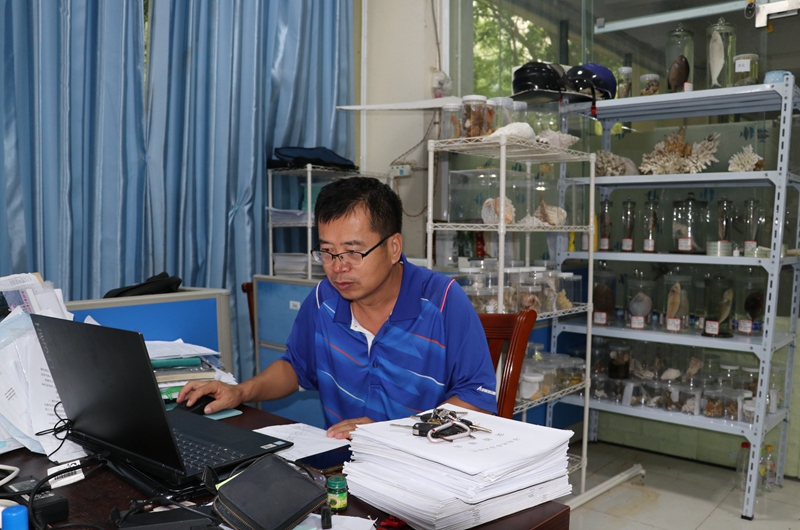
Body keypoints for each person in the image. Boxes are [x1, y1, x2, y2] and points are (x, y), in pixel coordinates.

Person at [178, 177, 497, 439]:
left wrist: (394, 433)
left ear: (393, 247)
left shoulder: (443, 300)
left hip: (425, 468)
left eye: (353, 252)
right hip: (346, 466)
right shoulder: (323, 301)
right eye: (327, 252)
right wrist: (240, 391)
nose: (338, 267)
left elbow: (477, 398)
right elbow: (297, 368)